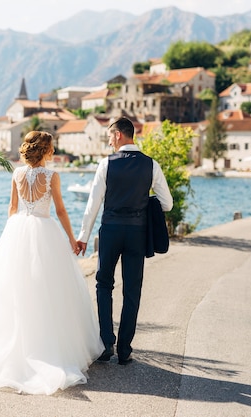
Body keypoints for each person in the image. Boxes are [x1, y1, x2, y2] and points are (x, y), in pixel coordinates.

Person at [0, 131, 104, 395]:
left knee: (16, 290)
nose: (53, 150)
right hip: (44, 230)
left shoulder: (17, 174)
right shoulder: (52, 176)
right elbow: (61, 210)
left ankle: (17, 342)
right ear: (45, 150)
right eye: (52, 147)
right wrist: (72, 239)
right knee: (49, 288)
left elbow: (12, 207)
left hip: (17, 230)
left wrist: (10, 237)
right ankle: (48, 345)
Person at [76, 117, 173, 365]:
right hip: (137, 233)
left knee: (103, 284)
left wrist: (83, 237)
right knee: (132, 290)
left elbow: (93, 204)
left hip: (110, 232)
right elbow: (168, 204)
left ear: (119, 135)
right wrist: (145, 204)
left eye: (110, 136)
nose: (109, 141)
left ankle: (107, 342)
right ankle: (125, 350)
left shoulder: (106, 164)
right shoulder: (151, 165)